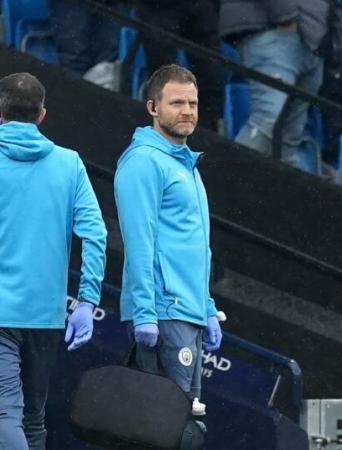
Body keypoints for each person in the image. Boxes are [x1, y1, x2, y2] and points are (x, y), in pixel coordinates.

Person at [0, 73, 107, 449]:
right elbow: (96, 234)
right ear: (42, 115)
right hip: (44, 315)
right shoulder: (69, 164)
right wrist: (87, 301)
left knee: (6, 414)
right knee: (32, 418)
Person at [115, 65, 222, 415]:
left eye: (192, 102)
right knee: (163, 427)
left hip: (187, 312)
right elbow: (139, 242)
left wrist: (205, 307)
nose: (188, 110)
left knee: (185, 426)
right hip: (162, 312)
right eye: (177, 102)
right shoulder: (144, 162)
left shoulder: (187, 165)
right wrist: (145, 311)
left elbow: (197, 248)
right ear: (152, 108)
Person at [219, 0, 330, 169]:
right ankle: (220, 188)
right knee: (268, 119)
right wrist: (287, 16)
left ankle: (281, 194)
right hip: (277, 28)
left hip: (311, 38)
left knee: (290, 135)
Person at [135, 0, 225, 132]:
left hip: (199, 9)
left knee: (209, 73)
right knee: (164, 73)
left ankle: (206, 134)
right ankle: (165, 129)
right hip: (159, 8)